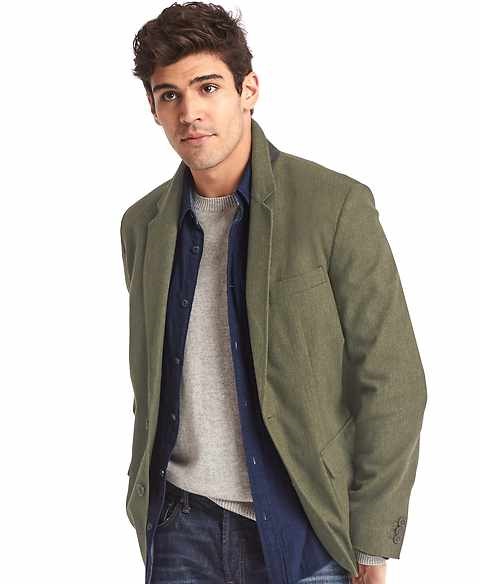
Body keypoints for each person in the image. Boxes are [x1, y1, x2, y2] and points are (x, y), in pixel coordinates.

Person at [120, 3, 427, 583]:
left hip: (304, 525)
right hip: (181, 526)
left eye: (208, 87)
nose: (190, 112)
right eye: (169, 95)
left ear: (248, 90)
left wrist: (371, 543)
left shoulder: (333, 206)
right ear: (154, 109)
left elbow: (394, 381)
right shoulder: (143, 226)